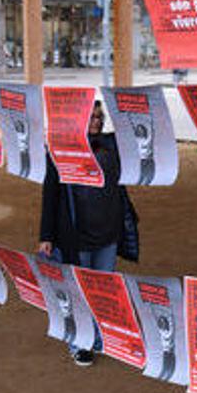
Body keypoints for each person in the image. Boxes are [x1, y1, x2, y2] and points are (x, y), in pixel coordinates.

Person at [39, 101, 140, 366]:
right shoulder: (61, 151)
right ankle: (78, 343)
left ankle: (96, 336)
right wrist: (46, 235)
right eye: (90, 116)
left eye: (99, 116)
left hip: (108, 233)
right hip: (77, 236)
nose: (96, 121)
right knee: (79, 291)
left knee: (102, 290)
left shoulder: (111, 146)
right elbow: (50, 194)